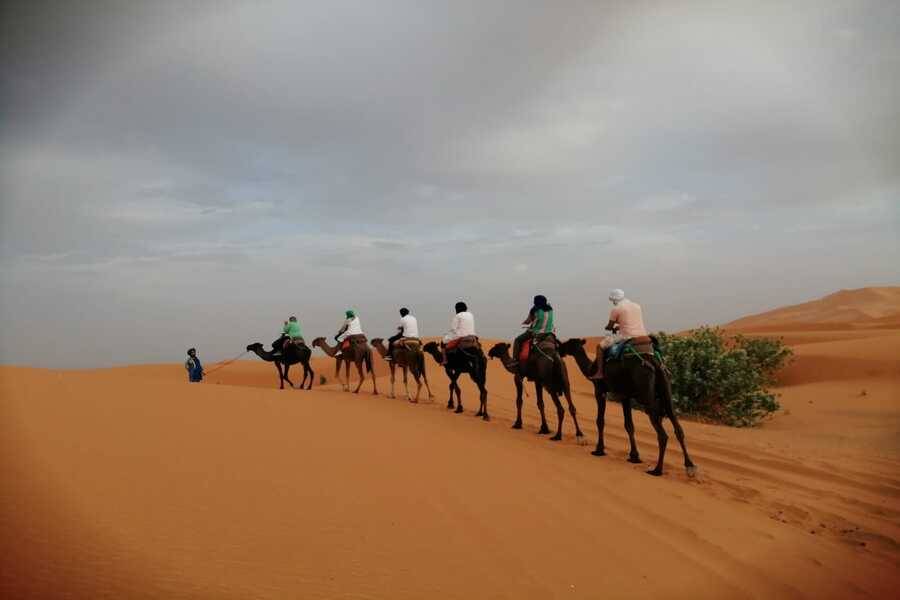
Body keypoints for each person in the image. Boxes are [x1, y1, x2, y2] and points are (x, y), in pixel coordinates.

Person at [590, 289, 648, 379]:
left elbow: (609, 326)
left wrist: (609, 327)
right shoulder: (637, 306)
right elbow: (630, 321)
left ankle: (600, 372)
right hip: (642, 335)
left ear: (614, 299)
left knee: (600, 347)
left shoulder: (616, 309)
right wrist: (619, 325)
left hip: (625, 336)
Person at [508, 294, 555, 369]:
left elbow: (528, 321)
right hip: (550, 332)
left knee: (517, 340)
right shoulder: (550, 309)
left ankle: (515, 360)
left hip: (536, 332)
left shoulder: (535, 310)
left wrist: (524, 323)